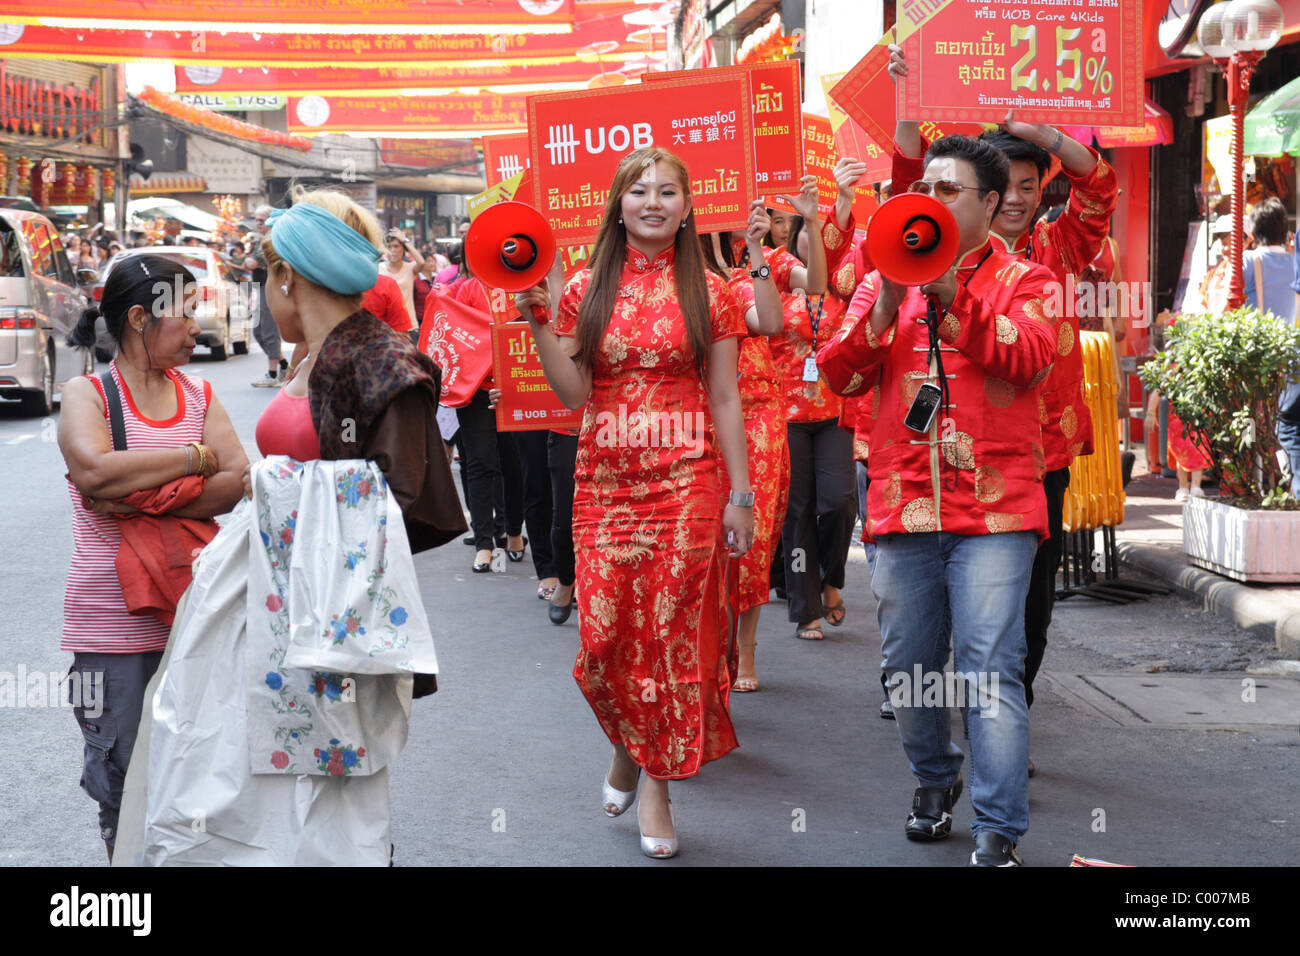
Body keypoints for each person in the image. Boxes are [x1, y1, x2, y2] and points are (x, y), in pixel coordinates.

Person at [121, 188, 465, 866]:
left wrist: (271, 484)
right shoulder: (318, 353)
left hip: (319, 619)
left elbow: (401, 499)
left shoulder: (379, 361)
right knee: (228, 775)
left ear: (286, 277)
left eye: (264, 280)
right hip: (256, 603)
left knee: (316, 788)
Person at [817, 134, 1058, 866]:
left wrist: (952, 297)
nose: (932, 199)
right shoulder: (880, 276)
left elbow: (1029, 356)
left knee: (991, 665)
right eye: (926, 186)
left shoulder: (1030, 280)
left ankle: (997, 825)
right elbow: (838, 373)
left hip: (997, 509)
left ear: (991, 203)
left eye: (950, 189)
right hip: (903, 500)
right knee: (909, 665)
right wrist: (886, 306)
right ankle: (933, 776)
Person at [516, 147, 754, 859]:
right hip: (605, 481)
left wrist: (740, 494)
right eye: (640, 191)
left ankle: (656, 778)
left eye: (668, 193)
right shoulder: (584, 288)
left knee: (670, 632)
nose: (653, 202)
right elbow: (574, 394)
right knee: (605, 637)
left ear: (687, 208)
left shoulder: (712, 292)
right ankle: (627, 742)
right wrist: (536, 326)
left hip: (688, 481)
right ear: (618, 204)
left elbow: (724, 397)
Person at [889, 46, 1118, 751]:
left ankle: (998, 734)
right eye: (1005, 184)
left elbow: (1100, 190)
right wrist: (907, 99)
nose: (1016, 195)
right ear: (980, 196)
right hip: (931, 457)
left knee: (1024, 614)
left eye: (1028, 183)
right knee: (933, 624)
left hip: (1033, 459)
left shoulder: (1058, 250)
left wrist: (1044, 133)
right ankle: (944, 744)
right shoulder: (927, 254)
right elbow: (906, 185)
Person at [58, 254, 248, 863]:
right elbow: (92, 470)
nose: (196, 328)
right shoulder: (84, 394)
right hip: (109, 627)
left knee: (198, 772)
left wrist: (133, 490)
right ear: (140, 318)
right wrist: (194, 460)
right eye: (184, 315)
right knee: (120, 780)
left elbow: (238, 479)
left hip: (197, 614)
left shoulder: (199, 393)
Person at [701, 194, 802, 691]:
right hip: (693, 423)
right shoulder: (680, 283)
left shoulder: (746, 275)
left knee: (752, 542)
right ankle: (706, 648)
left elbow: (775, 319)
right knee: (703, 544)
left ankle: (745, 650)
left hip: (756, 418)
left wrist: (759, 253)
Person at [765, 196, 845, 642]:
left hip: (833, 410)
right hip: (787, 412)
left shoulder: (843, 292)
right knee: (797, 513)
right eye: (802, 233)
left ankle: (833, 578)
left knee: (837, 503)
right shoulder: (775, 280)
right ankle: (805, 608)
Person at [247, 206, 289, 388]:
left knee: (268, 331)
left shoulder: (272, 240)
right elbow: (249, 263)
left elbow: (253, 262)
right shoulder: (262, 240)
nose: (258, 224)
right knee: (257, 331)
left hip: (270, 287)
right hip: (258, 286)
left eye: (261, 220)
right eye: (256, 220)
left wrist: (250, 262)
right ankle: (284, 365)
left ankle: (273, 374)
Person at [381, 228, 426, 331]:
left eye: (396, 246)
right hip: (385, 326)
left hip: (408, 325)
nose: (393, 250)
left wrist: (405, 240)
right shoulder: (379, 268)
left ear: (403, 249)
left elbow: (422, 262)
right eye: (389, 247)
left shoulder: (410, 268)